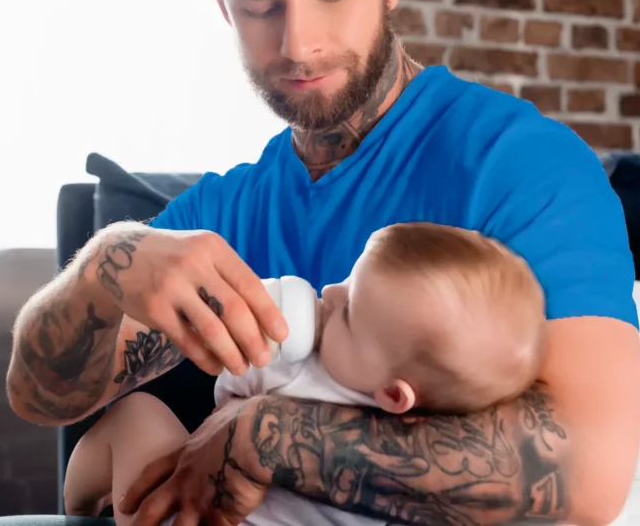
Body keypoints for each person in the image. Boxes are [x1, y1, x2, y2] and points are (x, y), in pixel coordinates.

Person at [6, 0, 640, 524]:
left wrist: (264, 436)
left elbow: (590, 477)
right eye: (260, 8)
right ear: (224, 7)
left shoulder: (520, 166)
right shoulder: (228, 214)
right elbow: (44, 397)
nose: (299, 43)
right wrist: (105, 268)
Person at [61, 222, 547, 525]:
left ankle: (79, 507)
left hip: (196, 515)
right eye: (349, 281)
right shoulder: (431, 461)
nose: (330, 294)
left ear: (395, 394)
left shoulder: (296, 370)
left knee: (140, 416)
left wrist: (255, 326)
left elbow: (229, 389)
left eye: (349, 312)